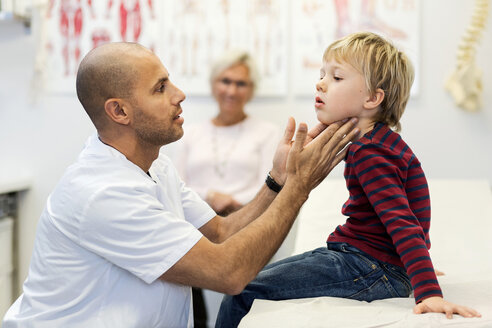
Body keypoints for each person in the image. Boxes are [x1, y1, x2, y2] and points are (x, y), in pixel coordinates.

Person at [2, 42, 360, 328]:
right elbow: (228, 272)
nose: (180, 94)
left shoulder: (156, 165)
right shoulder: (102, 193)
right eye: (160, 88)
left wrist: (278, 181)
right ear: (120, 112)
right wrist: (299, 186)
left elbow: (220, 232)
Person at [215, 32, 482, 327]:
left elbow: (401, 220)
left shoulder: (371, 154)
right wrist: (412, 265)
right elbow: (408, 214)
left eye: (337, 78)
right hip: (368, 260)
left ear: (372, 98)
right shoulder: (379, 143)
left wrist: (426, 288)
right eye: (321, 75)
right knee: (248, 278)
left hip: (370, 266)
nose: (320, 83)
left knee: (240, 292)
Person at [175, 49, 280, 327]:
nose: (232, 90)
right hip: (195, 227)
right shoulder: (191, 132)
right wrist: (210, 197)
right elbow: (176, 185)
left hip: (247, 225)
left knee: (246, 299)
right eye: (225, 81)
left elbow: (271, 183)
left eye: (241, 83)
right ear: (213, 85)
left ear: (252, 90)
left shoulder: (266, 132)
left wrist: (232, 200)